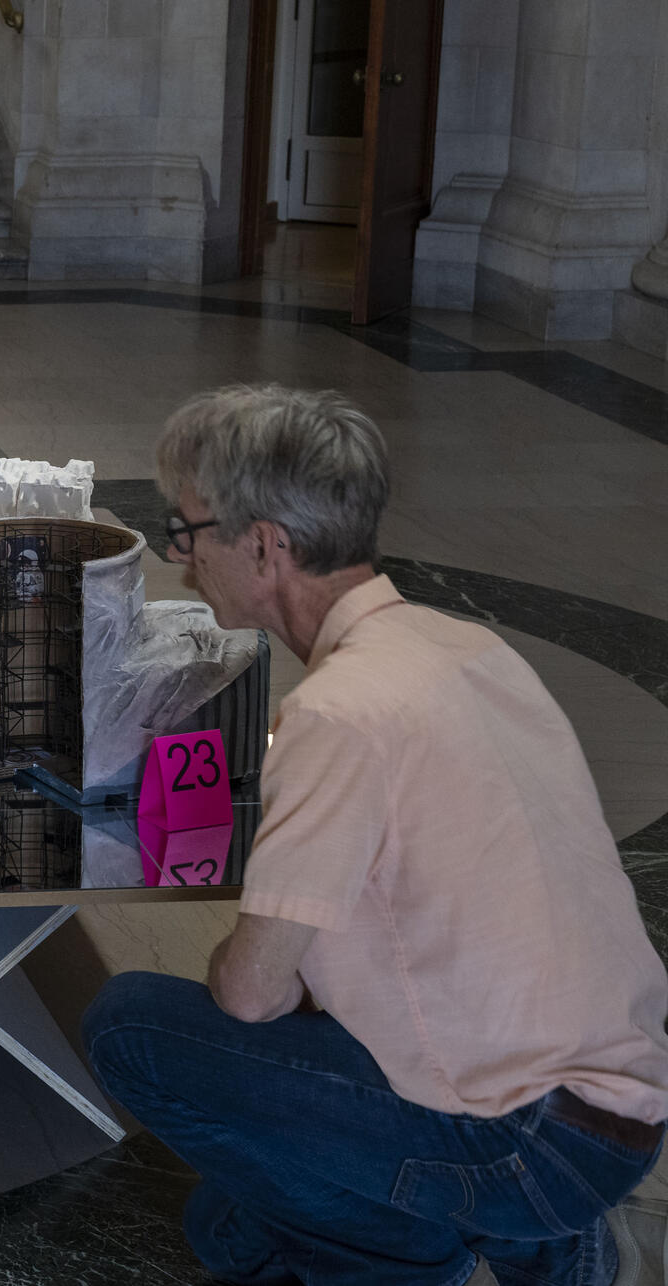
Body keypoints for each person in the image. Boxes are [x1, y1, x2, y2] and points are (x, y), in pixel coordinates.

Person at [83, 384, 668, 1286]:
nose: (183, 560)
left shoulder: (340, 713)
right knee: (228, 1228)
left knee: (130, 1028)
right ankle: (535, 1238)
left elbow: (250, 996)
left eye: (190, 532)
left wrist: (244, 963)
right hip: (622, 1112)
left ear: (265, 545)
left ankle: (429, 1252)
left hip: (525, 1141)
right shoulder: (467, 647)